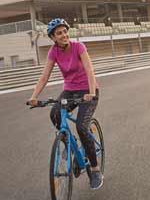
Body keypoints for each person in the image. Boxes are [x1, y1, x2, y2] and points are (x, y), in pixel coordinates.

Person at [28, 18, 103, 190]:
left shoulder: (79, 47)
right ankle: (71, 144)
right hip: (70, 91)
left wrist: (91, 93)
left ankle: (95, 168)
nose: (64, 35)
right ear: (53, 38)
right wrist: (34, 96)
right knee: (54, 113)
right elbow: (44, 76)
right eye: (59, 33)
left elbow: (90, 71)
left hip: (88, 90)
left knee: (82, 127)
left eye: (65, 32)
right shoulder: (53, 52)